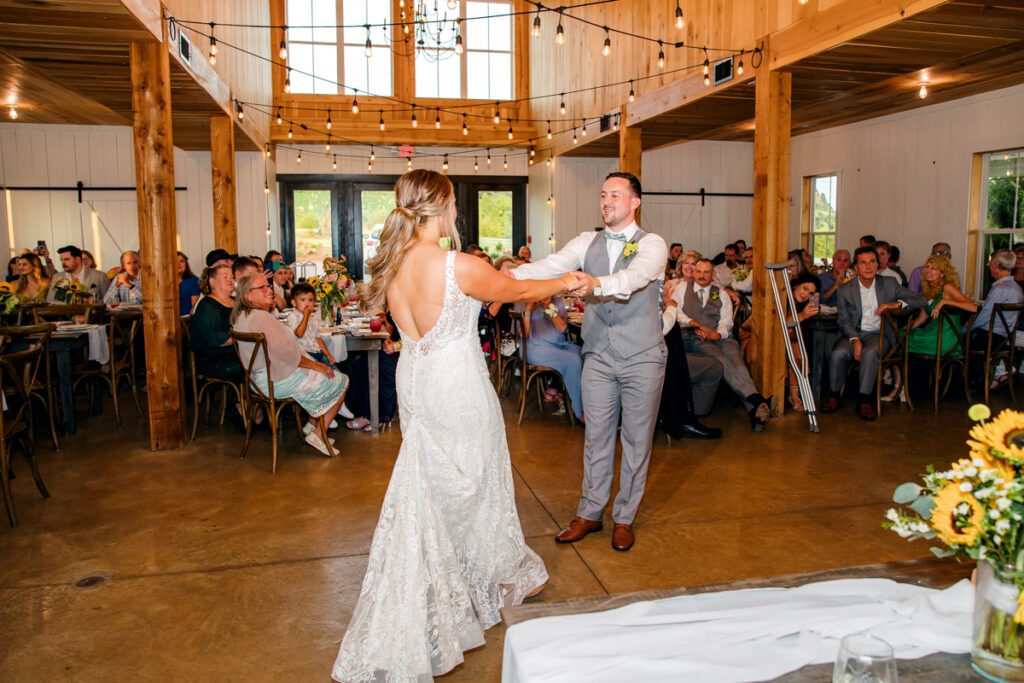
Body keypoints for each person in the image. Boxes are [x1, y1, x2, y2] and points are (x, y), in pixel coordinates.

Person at [331, 170, 580, 681]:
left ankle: (455, 581)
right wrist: (569, 280)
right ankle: (480, 581)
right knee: (476, 482)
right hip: (456, 382)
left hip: (416, 380)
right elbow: (511, 289)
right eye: (453, 205)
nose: (457, 215)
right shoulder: (456, 264)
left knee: (437, 482)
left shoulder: (392, 264)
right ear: (441, 205)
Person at [512, 171, 716, 554]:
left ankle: (624, 517)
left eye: (616, 195)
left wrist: (596, 284)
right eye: (603, 194)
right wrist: (506, 275)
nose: (607, 201)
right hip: (599, 356)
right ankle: (590, 512)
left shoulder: (652, 244)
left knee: (637, 441)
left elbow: (635, 278)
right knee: (596, 437)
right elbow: (552, 265)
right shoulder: (587, 241)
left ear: (635, 202)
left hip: (643, 357)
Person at [232, 273, 347, 455]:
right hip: (275, 382)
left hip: (257, 382)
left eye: (268, 286)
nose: (269, 290)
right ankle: (318, 432)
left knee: (320, 370)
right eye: (262, 288)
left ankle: (312, 426)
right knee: (341, 380)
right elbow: (287, 354)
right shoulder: (262, 318)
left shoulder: (242, 315)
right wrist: (316, 366)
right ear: (248, 295)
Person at [822, 246, 925, 420]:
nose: (868, 266)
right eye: (863, 263)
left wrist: (895, 304)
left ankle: (864, 401)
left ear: (878, 265)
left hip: (879, 333)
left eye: (872, 262)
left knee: (870, 353)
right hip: (853, 333)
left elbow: (920, 299)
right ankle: (834, 396)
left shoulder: (890, 284)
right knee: (838, 353)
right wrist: (855, 340)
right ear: (856, 267)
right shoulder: (845, 289)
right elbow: (844, 321)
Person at [672, 258, 774, 431]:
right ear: (694, 273)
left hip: (722, 337)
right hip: (699, 336)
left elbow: (727, 320)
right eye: (698, 272)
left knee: (738, 363)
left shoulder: (721, 293)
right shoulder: (682, 288)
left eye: (706, 272)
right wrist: (697, 325)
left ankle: (754, 407)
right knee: (721, 360)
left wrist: (718, 334)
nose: (701, 276)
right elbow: (676, 312)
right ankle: (755, 402)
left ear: (713, 274)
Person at [189, 264, 248, 429]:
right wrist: (244, 333)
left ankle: (256, 407)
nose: (230, 280)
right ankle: (242, 408)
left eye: (231, 276)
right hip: (216, 359)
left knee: (265, 359)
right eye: (225, 276)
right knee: (257, 364)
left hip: (237, 353)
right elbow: (218, 339)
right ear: (212, 281)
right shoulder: (207, 306)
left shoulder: (236, 301)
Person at [523, 295, 584, 422]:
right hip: (535, 348)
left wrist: (549, 309)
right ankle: (579, 411)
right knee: (574, 360)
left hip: (558, 345)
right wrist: (528, 309)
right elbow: (524, 334)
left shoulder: (557, 302)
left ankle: (589, 403)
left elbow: (563, 328)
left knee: (585, 354)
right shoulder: (524, 300)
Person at [969, 250, 1024, 389]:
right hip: (1005, 338)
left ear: (995, 266)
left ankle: (968, 385)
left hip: (992, 339)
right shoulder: (1017, 288)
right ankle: (1001, 369)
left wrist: (966, 328)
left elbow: (984, 317)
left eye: (990, 264)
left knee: (961, 340)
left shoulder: (1000, 288)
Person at [906, 254, 977, 356]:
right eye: (927, 267)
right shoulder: (930, 291)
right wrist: (902, 328)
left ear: (942, 274)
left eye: (934, 268)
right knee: (898, 336)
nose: (928, 270)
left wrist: (945, 301)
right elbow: (919, 321)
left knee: (899, 341)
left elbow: (973, 307)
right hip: (932, 335)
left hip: (944, 340)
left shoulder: (947, 287)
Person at [344, 310, 400, 432]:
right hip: (395, 344)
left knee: (379, 365)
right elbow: (389, 320)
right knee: (361, 361)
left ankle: (378, 416)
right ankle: (365, 413)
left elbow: (420, 337)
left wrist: (396, 346)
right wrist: (388, 338)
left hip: (406, 352)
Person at [783, 273, 821, 411]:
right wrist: (802, 315)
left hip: (792, 340)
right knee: (795, 348)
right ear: (796, 285)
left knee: (798, 345)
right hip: (775, 338)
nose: (804, 294)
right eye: (804, 288)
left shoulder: (802, 305)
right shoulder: (784, 297)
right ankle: (795, 396)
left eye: (810, 292)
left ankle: (795, 394)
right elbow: (782, 323)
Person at [284, 283, 339, 369]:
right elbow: (299, 334)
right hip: (305, 355)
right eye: (303, 300)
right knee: (328, 373)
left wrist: (328, 354)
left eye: (310, 300)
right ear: (294, 303)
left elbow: (318, 339)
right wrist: (306, 316)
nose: (307, 303)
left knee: (335, 371)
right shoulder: (292, 317)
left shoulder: (313, 319)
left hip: (317, 352)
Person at [178, 251, 201, 316]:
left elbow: (195, 306)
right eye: (175, 261)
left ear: (186, 264)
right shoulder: (167, 282)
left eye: (181, 261)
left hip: (186, 319)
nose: (178, 264)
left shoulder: (193, 280)